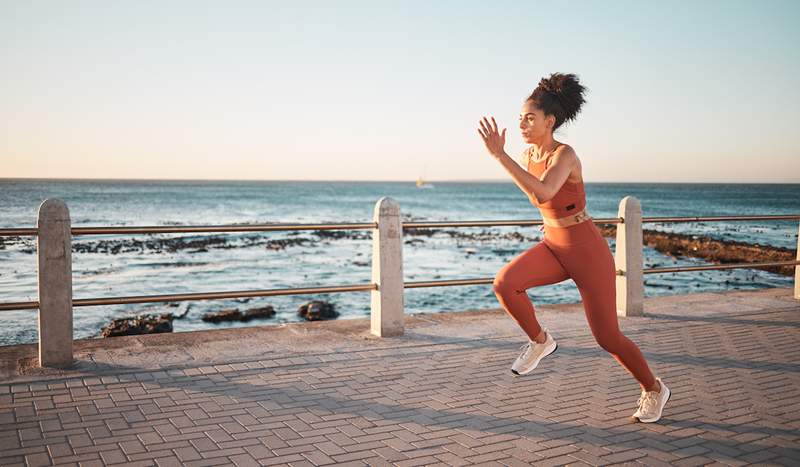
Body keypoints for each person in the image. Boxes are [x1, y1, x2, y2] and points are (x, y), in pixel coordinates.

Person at [476, 72, 671, 423]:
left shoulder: (564, 154)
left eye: (530, 117)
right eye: (520, 116)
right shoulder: (528, 153)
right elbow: (542, 199)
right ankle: (540, 341)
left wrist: (499, 157)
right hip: (554, 245)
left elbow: (544, 192)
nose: (521, 123)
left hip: (586, 251)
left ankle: (653, 388)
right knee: (505, 283)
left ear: (550, 121)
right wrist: (549, 219)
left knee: (608, 337)